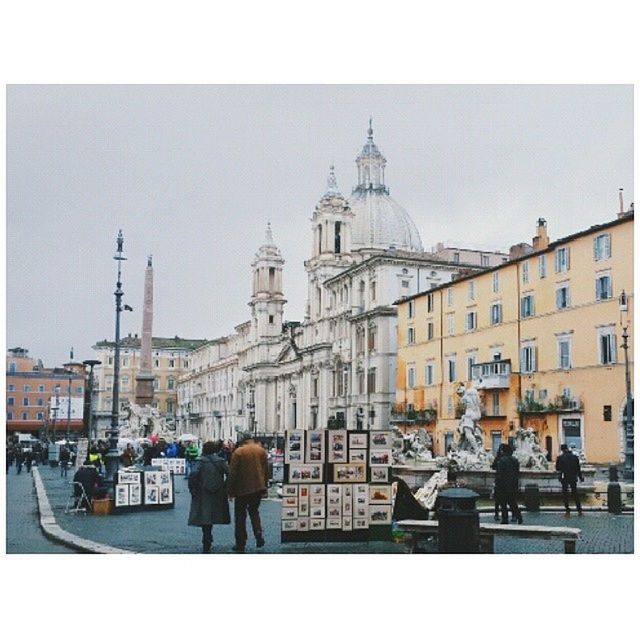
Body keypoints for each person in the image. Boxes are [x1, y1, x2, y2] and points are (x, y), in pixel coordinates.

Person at [227, 432, 268, 553]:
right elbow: (266, 470)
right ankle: (258, 533)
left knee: (240, 516)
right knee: (254, 512)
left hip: (242, 488)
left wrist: (230, 490)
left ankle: (241, 542)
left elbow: (233, 473)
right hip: (258, 488)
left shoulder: (239, 452)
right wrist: (265, 486)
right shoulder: (261, 451)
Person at [187, 440, 231, 553]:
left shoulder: (200, 461)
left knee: (205, 515)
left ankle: (206, 535)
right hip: (218, 492)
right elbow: (230, 474)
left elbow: (193, 474)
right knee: (212, 514)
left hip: (203, 491)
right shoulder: (220, 461)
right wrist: (224, 486)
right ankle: (208, 535)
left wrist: (193, 488)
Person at [494, 443, 523, 524]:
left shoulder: (502, 460)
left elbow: (499, 474)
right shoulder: (515, 460)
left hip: (503, 485)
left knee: (503, 503)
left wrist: (497, 484)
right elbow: (517, 473)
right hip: (513, 484)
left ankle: (505, 519)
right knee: (512, 502)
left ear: (504, 451)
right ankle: (519, 516)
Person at [556, 443, 584, 515]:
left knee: (565, 494)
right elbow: (578, 469)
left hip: (564, 477)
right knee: (575, 493)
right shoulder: (574, 457)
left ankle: (568, 511)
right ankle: (579, 510)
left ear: (562, 450)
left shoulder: (560, 457)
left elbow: (558, 468)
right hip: (573, 477)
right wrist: (580, 477)